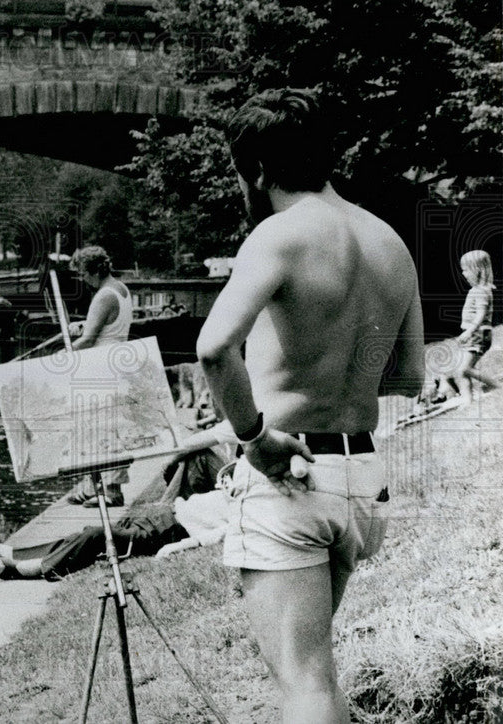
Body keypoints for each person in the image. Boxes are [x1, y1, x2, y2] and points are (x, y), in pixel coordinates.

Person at [194, 88, 425, 724]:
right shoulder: (388, 242)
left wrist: (253, 436)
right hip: (359, 480)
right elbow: (407, 375)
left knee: (302, 684)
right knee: (317, 677)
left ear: (259, 171)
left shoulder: (278, 236)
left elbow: (215, 349)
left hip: (289, 475)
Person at [0, 421, 234, 580]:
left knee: (97, 536)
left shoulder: (252, 510)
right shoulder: (243, 487)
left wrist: (180, 546)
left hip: (172, 530)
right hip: (170, 514)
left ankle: (23, 568)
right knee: (93, 532)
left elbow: (222, 534)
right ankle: (13, 553)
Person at [64, 245, 134, 507]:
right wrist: (80, 327)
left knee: (105, 428)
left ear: (93, 271)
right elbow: (108, 326)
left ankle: (112, 491)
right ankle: (95, 487)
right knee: (102, 427)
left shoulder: (104, 295)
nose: (82, 279)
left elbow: (90, 338)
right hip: (116, 363)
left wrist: (64, 353)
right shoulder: (121, 289)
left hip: (103, 367)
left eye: (83, 274)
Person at [451, 250, 497, 406]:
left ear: (477, 270)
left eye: (465, 269)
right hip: (476, 334)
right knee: (463, 370)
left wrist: (470, 331)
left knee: (464, 370)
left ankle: (494, 385)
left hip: (478, 334)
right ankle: (467, 399)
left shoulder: (480, 292)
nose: (463, 274)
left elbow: (481, 314)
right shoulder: (480, 290)